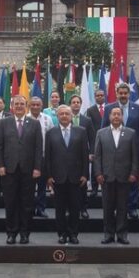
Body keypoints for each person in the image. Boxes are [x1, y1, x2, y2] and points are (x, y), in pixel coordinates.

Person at [0, 95, 42, 245]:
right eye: (17, 104)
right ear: (12, 106)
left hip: (28, 170)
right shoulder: (3, 123)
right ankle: (11, 233)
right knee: (10, 202)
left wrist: (37, 168)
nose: (19, 106)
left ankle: (25, 233)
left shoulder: (34, 124)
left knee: (27, 203)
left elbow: (38, 148)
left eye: (22, 104)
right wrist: (0, 165)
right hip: (8, 170)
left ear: (26, 106)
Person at [44, 105, 89, 245]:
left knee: (75, 208)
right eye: (61, 114)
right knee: (60, 209)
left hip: (76, 177)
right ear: (57, 116)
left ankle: (73, 234)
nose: (64, 116)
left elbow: (84, 155)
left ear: (71, 116)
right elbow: (48, 156)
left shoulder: (81, 132)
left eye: (67, 114)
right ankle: (62, 234)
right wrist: (49, 176)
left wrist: (85, 174)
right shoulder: (51, 133)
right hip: (58, 177)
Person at [94, 106, 138, 245]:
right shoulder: (101, 133)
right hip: (106, 177)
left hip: (124, 176)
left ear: (122, 116)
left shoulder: (131, 133)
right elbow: (97, 156)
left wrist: (133, 173)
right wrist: (98, 173)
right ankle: (108, 234)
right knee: (107, 208)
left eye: (119, 114)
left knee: (122, 207)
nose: (116, 116)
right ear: (109, 117)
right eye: (114, 114)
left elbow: (134, 156)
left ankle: (122, 234)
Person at [104, 82, 139, 220]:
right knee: (115, 182)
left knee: (132, 180)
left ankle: (132, 208)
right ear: (116, 93)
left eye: (125, 93)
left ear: (129, 94)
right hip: (113, 151)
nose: (123, 95)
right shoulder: (109, 108)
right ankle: (115, 209)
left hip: (133, 150)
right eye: (120, 93)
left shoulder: (138, 109)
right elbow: (103, 130)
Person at [69, 94, 96, 219]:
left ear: (80, 104)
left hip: (82, 156)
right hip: (68, 156)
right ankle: (70, 209)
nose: (76, 104)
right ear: (70, 104)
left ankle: (83, 209)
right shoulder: (65, 117)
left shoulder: (87, 120)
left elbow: (92, 138)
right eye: (73, 102)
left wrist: (91, 153)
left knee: (82, 183)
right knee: (69, 184)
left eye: (78, 102)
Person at [29, 96, 55, 218]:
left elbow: (52, 138)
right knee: (28, 186)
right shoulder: (25, 119)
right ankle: (29, 209)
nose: (35, 107)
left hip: (44, 157)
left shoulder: (47, 119)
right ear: (29, 106)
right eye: (33, 105)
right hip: (28, 158)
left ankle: (40, 208)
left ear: (41, 105)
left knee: (42, 185)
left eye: (37, 105)